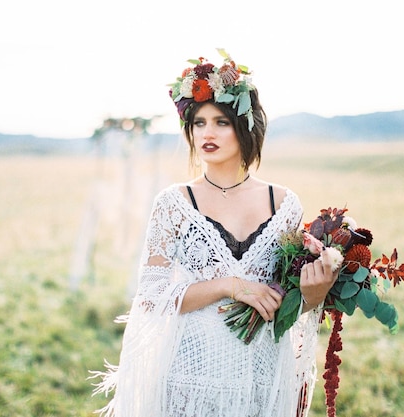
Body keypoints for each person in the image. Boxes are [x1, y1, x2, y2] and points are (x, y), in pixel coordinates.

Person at [91, 49, 338, 417]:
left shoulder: (285, 203)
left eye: (221, 122)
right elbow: (152, 296)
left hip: (261, 378)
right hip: (190, 376)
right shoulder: (173, 203)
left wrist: (312, 295)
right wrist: (228, 285)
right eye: (198, 123)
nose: (207, 132)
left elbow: (284, 304)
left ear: (246, 126)